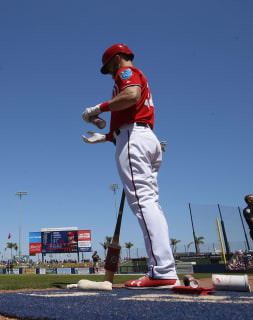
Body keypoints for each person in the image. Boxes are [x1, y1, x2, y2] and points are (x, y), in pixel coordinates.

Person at [81, 43, 180, 289]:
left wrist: (98, 108)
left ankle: (162, 271)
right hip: (143, 137)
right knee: (151, 203)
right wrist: (105, 137)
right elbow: (132, 112)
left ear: (116, 59)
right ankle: (164, 268)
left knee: (143, 202)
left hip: (134, 137)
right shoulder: (133, 77)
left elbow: (131, 95)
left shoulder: (127, 73)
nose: (110, 72)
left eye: (108, 67)